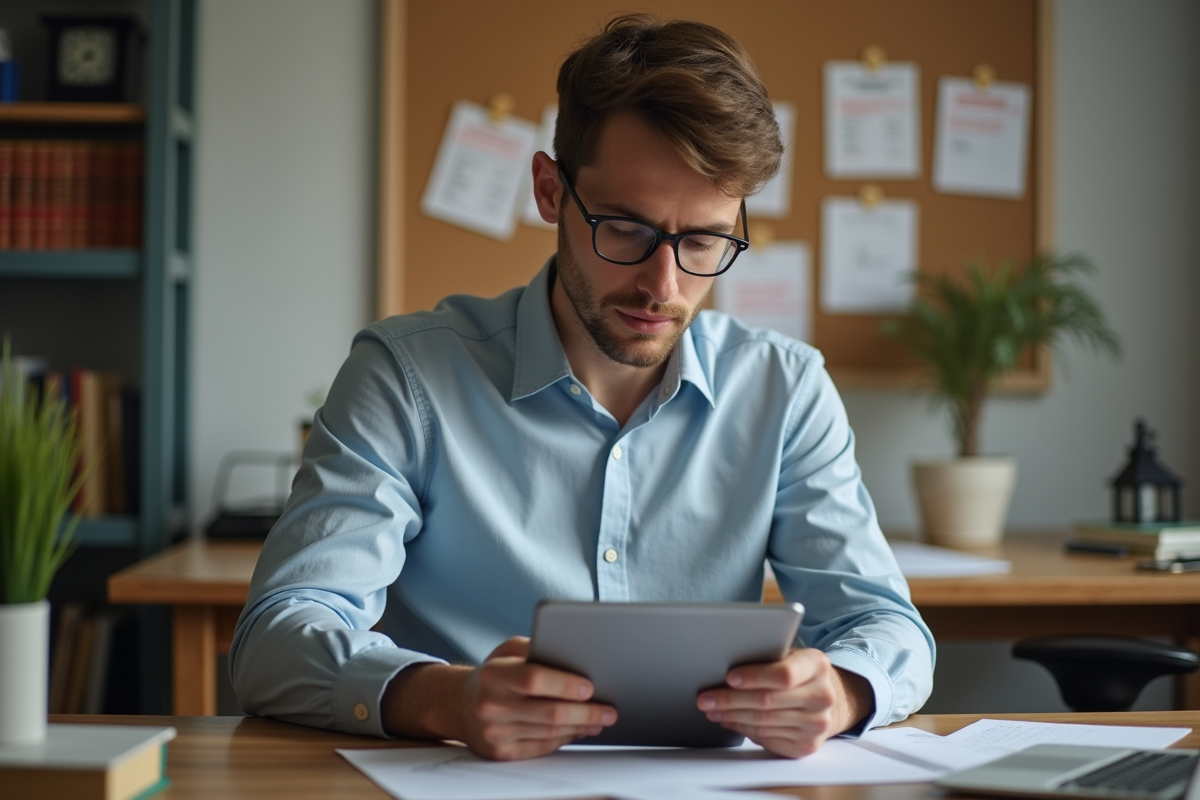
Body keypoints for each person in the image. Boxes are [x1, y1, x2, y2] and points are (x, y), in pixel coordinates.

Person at [230, 13, 934, 762]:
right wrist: (447, 699)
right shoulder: (407, 378)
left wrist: (841, 692)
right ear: (549, 191)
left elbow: (888, 629)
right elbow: (276, 636)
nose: (663, 285)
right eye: (625, 229)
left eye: (702, 241)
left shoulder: (784, 391)